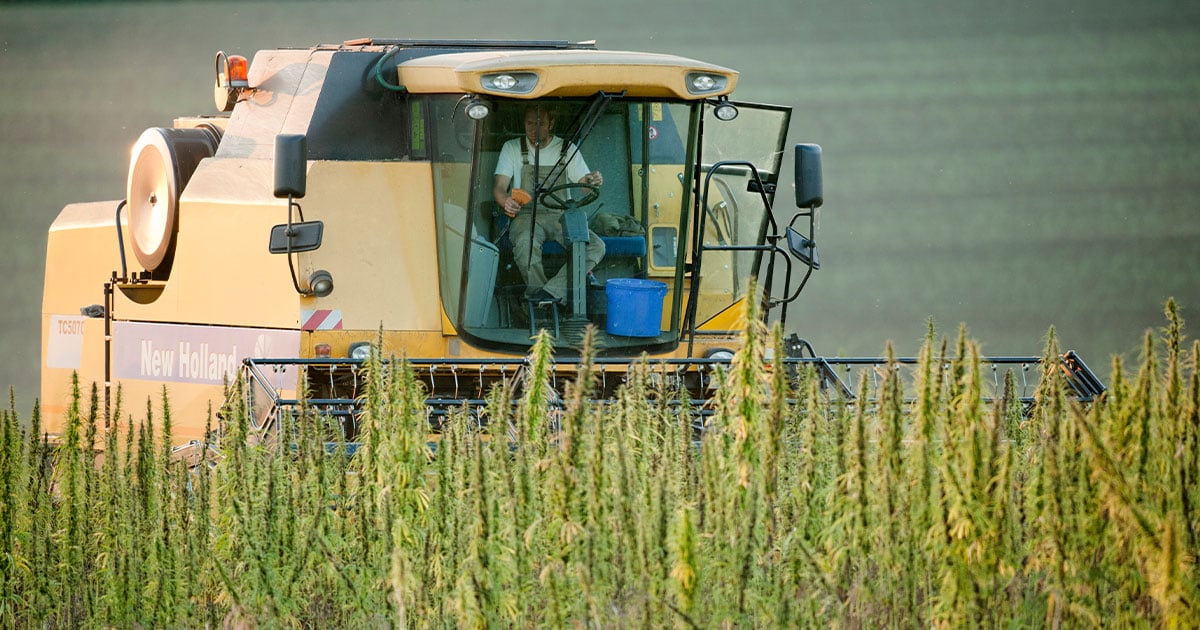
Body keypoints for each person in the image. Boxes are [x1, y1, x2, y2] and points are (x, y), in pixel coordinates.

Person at [493, 106, 605, 306]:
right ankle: (542, 300)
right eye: (529, 123)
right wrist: (506, 201)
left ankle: (548, 294)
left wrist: (592, 180)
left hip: (560, 216)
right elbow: (499, 188)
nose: (533, 129)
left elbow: (585, 186)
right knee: (525, 246)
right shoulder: (512, 147)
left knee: (596, 246)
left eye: (540, 123)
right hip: (527, 215)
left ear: (551, 123)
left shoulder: (567, 149)